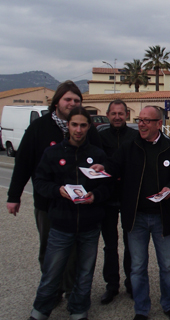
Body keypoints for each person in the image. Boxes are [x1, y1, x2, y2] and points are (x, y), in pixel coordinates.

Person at [92, 106, 170, 320]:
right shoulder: (130, 146)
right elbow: (113, 166)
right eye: (140, 120)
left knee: (167, 265)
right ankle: (141, 309)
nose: (142, 124)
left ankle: (169, 304)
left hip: (162, 217)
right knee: (137, 267)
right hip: (136, 217)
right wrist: (103, 168)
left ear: (159, 124)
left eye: (148, 120)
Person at [6, 80, 102, 301]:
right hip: (47, 203)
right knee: (49, 248)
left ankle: (72, 291)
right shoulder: (39, 127)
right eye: (68, 99)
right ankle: (52, 289)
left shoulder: (87, 129)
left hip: (79, 206)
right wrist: (14, 197)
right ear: (57, 101)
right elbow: (23, 164)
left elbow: (101, 157)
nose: (72, 103)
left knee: (75, 253)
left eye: (77, 100)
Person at [29, 106, 111, 320]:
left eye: (83, 125)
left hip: (90, 226)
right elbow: (39, 181)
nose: (78, 129)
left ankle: (78, 310)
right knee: (52, 273)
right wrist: (58, 191)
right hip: (61, 225)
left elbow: (108, 187)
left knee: (85, 274)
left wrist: (95, 196)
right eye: (74, 124)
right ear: (68, 125)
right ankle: (40, 311)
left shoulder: (97, 155)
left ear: (89, 127)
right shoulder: (53, 153)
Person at [97, 99, 137, 304]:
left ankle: (132, 283)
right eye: (113, 114)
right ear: (108, 115)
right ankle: (112, 285)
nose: (117, 117)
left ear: (126, 115)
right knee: (110, 245)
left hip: (129, 198)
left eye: (121, 113)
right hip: (107, 197)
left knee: (131, 244)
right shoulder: (100, 137)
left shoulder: (135, 136)